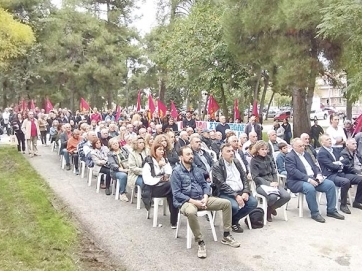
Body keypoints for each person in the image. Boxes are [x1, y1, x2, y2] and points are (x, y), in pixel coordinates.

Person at [171, 146, 240, 259]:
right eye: (188, 154)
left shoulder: (197, 169)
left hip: (202, 198)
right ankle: (200, 242)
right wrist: (194, 202)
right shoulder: (176, 172)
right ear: (181, 157)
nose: (191, 156)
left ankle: (226, 235)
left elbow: (205, 185)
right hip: (186, 201)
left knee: (226, 204)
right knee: (191, 211)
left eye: (191, 154)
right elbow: (177, 194)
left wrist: (206, 197)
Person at [285, 138, 344, 223]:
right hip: (296, 181)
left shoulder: (306, 154)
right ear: (293, 147)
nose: (302, 148)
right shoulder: (289, 157)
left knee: (330, 185)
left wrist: (319, 175)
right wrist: (308, 179)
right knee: (310, 188)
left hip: (312, 178)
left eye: (303, 146)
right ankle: (315, 213)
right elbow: (293, 172)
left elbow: (315, 166)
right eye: (300, 146)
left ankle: (331, 210)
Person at [212, 143, 257, 233]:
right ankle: (232, 223)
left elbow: (244, 177)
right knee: (234, 206)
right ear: (222, 153)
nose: (231, 153)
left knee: (253, 202)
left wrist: (246, 191)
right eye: (228, 151)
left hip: (240, 191)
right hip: (226, 193)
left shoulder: (236, 162)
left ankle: (234, 220)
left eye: (232, 151)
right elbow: (221, 184)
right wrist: (236, 196)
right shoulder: (217, 166)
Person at [317, 134, 362, 214]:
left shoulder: (334, 150)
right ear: (322, 142)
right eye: (327, 140)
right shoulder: (321, 153)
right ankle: (343, 204)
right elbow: (331, 166)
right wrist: (338, 164)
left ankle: (357, 201)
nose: (330, 141)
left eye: (330, 139)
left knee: (360, 179)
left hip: (340, 173)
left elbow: (345, 161)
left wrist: (337, 163)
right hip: (329, 175)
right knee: (345, 182)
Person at [250, 141, 291, 222]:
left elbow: (274, 172)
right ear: (258, 150)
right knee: (273, 197)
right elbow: (256, 177)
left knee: (286, 196)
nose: (265, 151)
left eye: (266, 149)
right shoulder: (254, 160)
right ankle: (269, 211)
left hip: (273, 182)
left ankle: (270, 209)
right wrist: (269, 184)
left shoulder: (269, 158)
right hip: (261, 184)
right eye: (262, 149)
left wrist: (275, 181)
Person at [141, 142, 178, 227]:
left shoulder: (164, 160)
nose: (162, 152)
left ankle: (174, 220)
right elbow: (147, 180)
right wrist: (159, 179)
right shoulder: (148, 162)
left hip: (165, 186)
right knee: (173, 187)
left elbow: (170, 172)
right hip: (151, 188)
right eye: (160, 149)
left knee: (172, 191)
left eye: (163, 150)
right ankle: (175, 219)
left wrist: (163, 166)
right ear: (154, 151)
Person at [108, 137, 129, 202]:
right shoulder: (110, 153)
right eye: (113, 144)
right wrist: (122, 170)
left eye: (116, 143)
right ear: (110, 146)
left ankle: (137, 191)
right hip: (116, 171)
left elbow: (130, 158)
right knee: (123, 175)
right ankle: (122, 193)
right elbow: (112, 165)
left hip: (128, 167)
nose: (116, 145)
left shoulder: (124, 150)